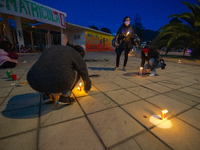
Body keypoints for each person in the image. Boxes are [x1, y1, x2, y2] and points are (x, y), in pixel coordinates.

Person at [27, 45, 91, 104]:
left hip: (34, 81)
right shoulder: (75, 54)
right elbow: (83, 72)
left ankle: (46, 95)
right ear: (80, 53)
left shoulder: (53, 48)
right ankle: (65, 97)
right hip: (59, 81)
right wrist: (87, 88)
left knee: (45, 68)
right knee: (77, 71)